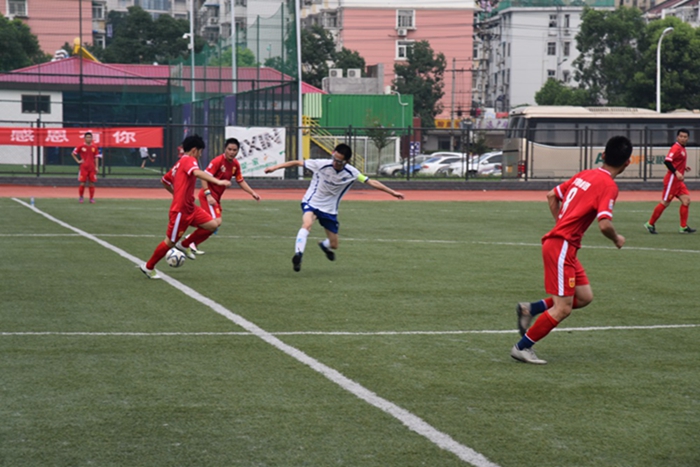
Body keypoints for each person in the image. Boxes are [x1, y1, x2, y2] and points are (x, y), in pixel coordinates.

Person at [511, 135, 633, 365]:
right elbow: (605, 224)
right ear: (627, 162)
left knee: (584, 297)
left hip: (564, 246)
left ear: (603, 155)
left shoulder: (585, 174)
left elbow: (551, 195)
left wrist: (561, 223)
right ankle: (522, 347)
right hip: (562, 247)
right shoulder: (609, 186)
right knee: (563, 308)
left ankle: (531, 309)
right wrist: (616, 238)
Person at [264, 143, 404, 272]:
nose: (335, 163)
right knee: (306, 224)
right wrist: (274, 168)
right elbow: (297, 162)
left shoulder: (352, 173)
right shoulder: (321, 164)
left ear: (347, 161)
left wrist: (392, 192)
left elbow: (371, 182)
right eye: (334, 159)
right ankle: (298, 255)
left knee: (334, 244)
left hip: (330, 209)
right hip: (312, 202)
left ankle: (324, 246)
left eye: (339, 161)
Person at [140, 134, 231, 279]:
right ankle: (148, 267)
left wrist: (176, 194)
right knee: (170, 242)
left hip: (190, 207)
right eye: (200, 152)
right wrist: (218, 182)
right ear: (194, 150)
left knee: (213, 225)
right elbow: (197, 172)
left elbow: (165, 181)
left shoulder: (179, 163)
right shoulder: (188, 159)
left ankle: (184, 244)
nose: (200, 155)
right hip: (180, 211)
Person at [179, 137, 261, 255]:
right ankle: (189, 240)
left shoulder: (235, 164)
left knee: (213, 224)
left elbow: (240, 180)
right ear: (225, 149)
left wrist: (252, 193)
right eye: (229, 149)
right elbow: (203, 177)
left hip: (216, 198)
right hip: (208, 196)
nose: (232, 152)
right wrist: (208, 194)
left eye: (234, 150)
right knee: (215, 222)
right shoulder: (217, 161)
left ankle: (192, 243)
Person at [645, 128, 696, 234]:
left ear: (688, 138)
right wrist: (677, 172)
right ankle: (650, 224)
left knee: (686, 201)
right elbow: (667, 161)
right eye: (681, 136)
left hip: (678, 182)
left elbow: (676, 162)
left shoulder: (682, 148)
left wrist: (683, 168)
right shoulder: (676, 148)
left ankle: (683, 227)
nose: (683, 138)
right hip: (672, 180)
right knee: (665, 202)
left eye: (685, 137)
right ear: (677, 137)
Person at [71, 132, 101, 204]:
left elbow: (96, 157)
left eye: (90, 137)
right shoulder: (81, 146)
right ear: (84, 138)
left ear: (92, 138)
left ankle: (91, 198)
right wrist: (78, 161)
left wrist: (96, 167)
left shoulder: (94, 147)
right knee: (82, 183)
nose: (89, 139)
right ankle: (81, 197)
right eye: (87, 137)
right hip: (83, 168)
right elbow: (73, 153)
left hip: (92, 168)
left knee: (91, 183)